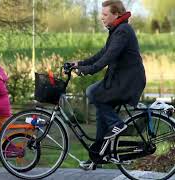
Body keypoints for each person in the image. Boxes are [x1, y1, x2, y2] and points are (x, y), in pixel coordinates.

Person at [69, 0, 146, 169]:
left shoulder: (123, 31)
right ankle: (98, 156)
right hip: (120, 80)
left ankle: (118, 124)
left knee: (92, 92)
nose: (101, 18)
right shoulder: (117, 30)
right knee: (101, 113)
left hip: (128, 82)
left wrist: (86, 70)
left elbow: (107, 58)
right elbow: (102, 53)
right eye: (101, 14)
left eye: (105, 14)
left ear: (116, 14)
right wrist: (80, 63)